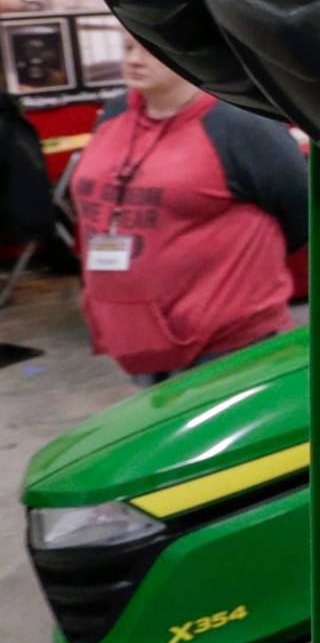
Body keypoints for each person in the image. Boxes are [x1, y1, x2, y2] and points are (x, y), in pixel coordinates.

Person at [75, 40, 307, 385]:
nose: (135, 61)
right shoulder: (116, 113)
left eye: (151, 50)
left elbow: (300, 208)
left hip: (227, 341)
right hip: (138, 336)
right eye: (127, 49)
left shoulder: (241, 124)